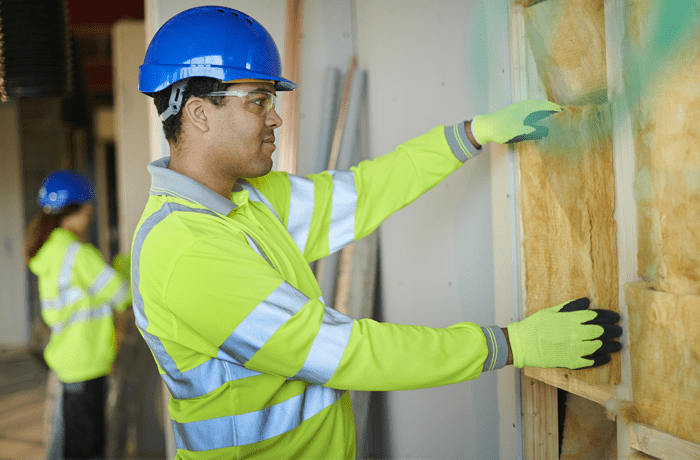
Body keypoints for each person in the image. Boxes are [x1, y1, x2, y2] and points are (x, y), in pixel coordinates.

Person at [134, 6, 622, 459]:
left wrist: (470, 134)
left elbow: (363, 194)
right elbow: (346, 353)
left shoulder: (247, 199)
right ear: (199, 112)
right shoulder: (186, 251)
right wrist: (509, 345)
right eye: (259, 100)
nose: (276, 116)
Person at [25, 170, 132, 459]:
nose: (90, 217)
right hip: (86, 362)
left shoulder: (52, 251)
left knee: (74, 443)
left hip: (69, 360)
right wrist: (127, 262)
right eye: (88, 211)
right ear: (77, 211)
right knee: (86, 448)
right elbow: (123, 296)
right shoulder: (77, 254)